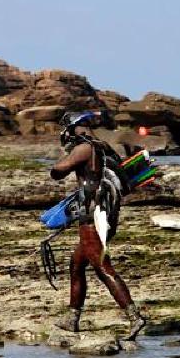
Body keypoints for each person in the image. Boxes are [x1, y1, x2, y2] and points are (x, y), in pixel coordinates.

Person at [50, 112, 147, 340]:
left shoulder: (84, 148)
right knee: (76, 265)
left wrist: (60, 162)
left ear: (73, 129)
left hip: (93, 218)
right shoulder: (103, 146)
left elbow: (58, 172)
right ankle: (72, 319)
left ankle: (135, 317)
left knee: (103, 268)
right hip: (106, 214)